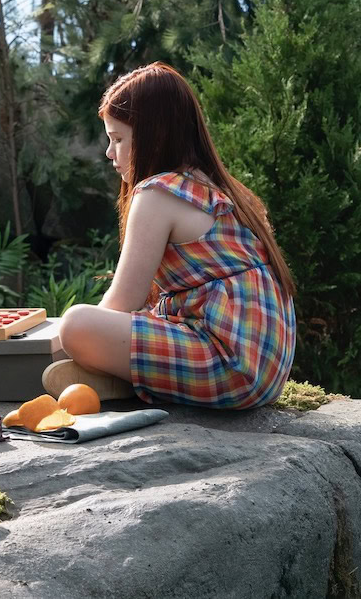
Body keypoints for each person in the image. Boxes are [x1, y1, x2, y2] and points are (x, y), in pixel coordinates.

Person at [42, 62, 296, 409]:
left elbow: (122, 302)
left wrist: (56, 342)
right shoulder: (222, 189)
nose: (109, 153)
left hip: (230, 362)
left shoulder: (158, 193)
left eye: (118, 139)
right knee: (117, 322)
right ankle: (128, 379)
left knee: (75, 324)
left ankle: (119, 377)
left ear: (153, 136)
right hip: (264, 365)